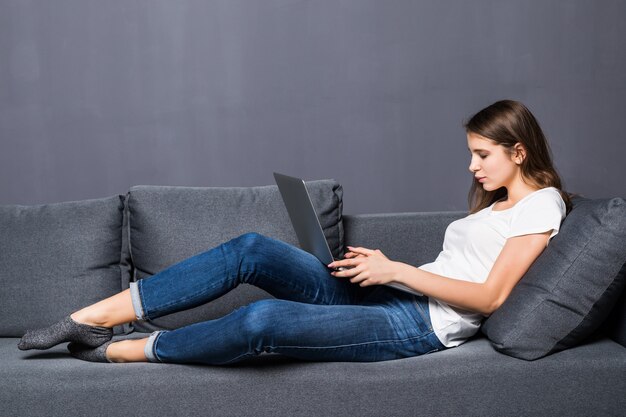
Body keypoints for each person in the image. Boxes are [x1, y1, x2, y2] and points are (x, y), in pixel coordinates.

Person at [17, 99, 571, 365]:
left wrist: (397, 270)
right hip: (397, 293)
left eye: (482, 155)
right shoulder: (492, 208)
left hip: (420, 326)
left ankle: (127, 351)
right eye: (470, 155)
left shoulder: (541, 205)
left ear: (518, 152)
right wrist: (382, 271)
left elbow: (493, 297)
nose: (473, 167)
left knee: (262, 320)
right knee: (252, 249)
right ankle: (91, 319)